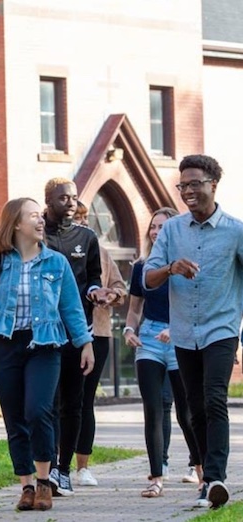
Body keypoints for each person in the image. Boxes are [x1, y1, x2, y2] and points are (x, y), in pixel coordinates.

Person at [0, 197, 94, 512]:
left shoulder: (56, 262)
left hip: (44, 346)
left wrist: (84, 343)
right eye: (34, 215)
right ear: (16, 223)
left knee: (38, 411)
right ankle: (27, 486)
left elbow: (71, 307)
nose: (41, 220)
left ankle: (46, 482)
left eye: (40, 215)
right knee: (14, 417)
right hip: (3, 344)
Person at [144, 155, 243, 509]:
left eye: (194, 183)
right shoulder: (171, 230)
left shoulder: (236, 230)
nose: (187, 191)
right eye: (182, 185)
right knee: (194, 408)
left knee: (214, 397)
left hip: (221, 328)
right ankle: (206, 479)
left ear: (213, 184)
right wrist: (171, 267)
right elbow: (147, 277)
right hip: (184, 331)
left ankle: (216, 478)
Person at [43, 179, 116, 496]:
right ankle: (44, 467)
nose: (70, 203)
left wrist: (96, 292)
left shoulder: (87, 237)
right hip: (43, 331)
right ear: (48, 201)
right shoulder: (37, 233)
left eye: (74, 197)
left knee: (73, 403)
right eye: (63, 198)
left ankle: (63, 470)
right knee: (47, 403)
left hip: (78, 331)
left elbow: (92, 278)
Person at [124, 207, 201, 499]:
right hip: (149, 341)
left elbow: (196, 303)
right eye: (153, 227)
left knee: (186, 411)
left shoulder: (186, 264)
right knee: (153, 410)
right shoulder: (142, 267)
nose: (156, 232)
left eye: (163, 227)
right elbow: (134, 310)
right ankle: (156, 476)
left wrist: (178, 327)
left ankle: (202, 471)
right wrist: (129, 331)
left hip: (181, 339)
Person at [72, 201, 127, 486]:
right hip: (64, 334)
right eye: (76, 218)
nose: (81, 223)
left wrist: (111, 296)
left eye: (84, 218)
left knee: (84, 398)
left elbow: (121, 287)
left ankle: (83, 466)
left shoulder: (101, 254)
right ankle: (56, 464)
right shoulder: (54, 251)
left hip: (98, 333)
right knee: (60, 401)